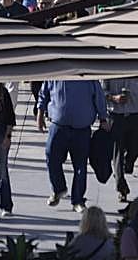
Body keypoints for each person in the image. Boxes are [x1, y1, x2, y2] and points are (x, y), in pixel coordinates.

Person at [37, 79, 110, 212]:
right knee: (51, 156)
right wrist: (40, 114)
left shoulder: (88, 77)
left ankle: (78, 200)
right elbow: (44, 92)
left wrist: (103, 118)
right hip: (58, 125)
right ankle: (58, 189)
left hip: (81, 128)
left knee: (80, 165)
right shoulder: (56, 73)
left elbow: (98, 96)